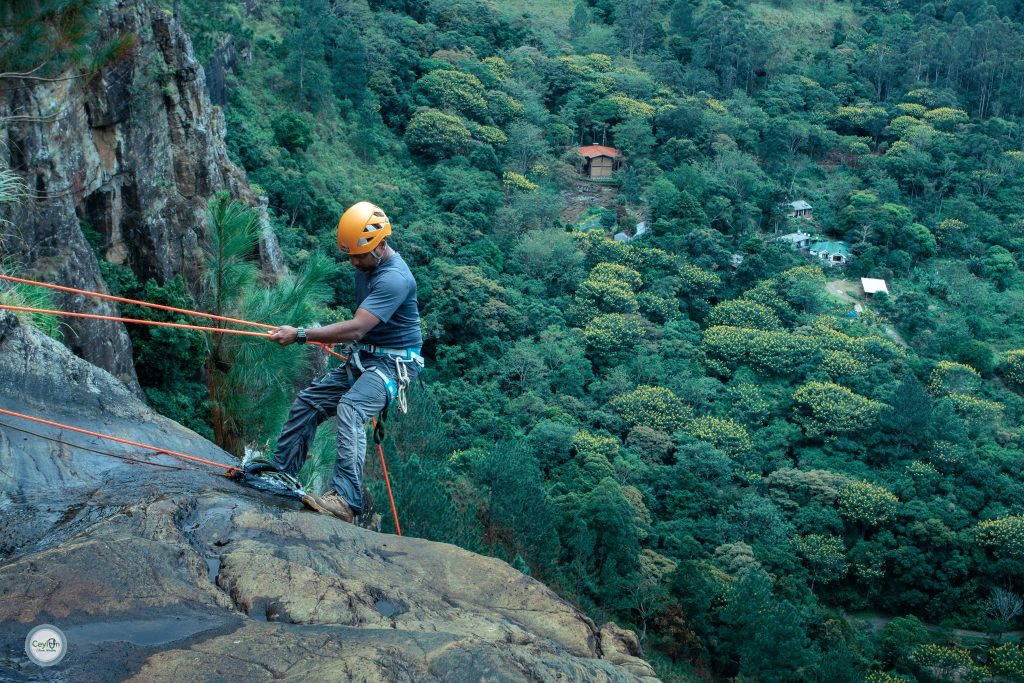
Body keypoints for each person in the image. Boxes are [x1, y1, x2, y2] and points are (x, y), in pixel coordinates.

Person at [265, 201, 423, 523]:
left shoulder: (394, 279)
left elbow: (356, 327)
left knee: (351, 408)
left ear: (379, 246)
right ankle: (281, 472)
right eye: (349, 254)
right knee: (310, 401)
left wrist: (300, 334)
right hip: (367, 357)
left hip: (394, 365)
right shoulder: (368, 266)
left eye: (358, 254)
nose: (353, 261)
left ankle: (346, 500)